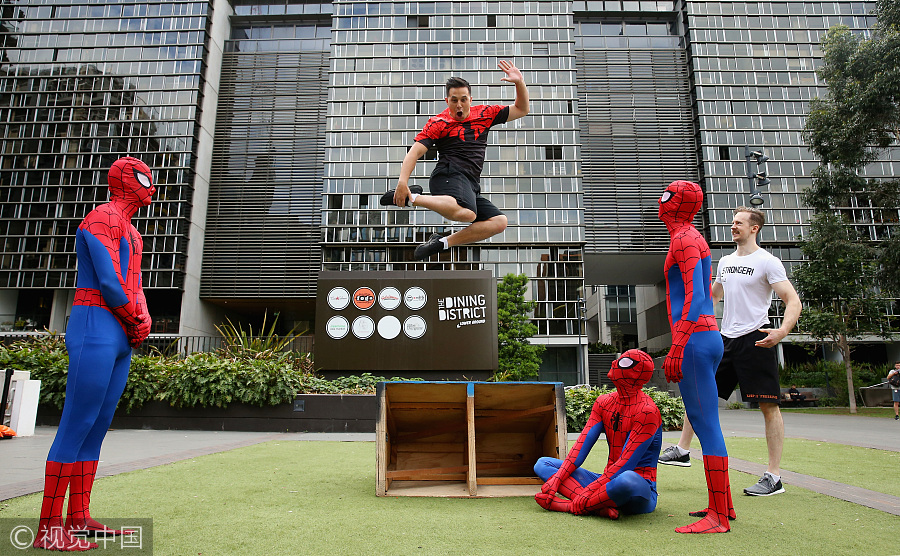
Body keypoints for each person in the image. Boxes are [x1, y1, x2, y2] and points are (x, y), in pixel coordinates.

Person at [33, 157, 154, 551]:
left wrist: (141, 318)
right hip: (96, 322)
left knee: (99, 423)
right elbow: (109, 281)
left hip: (118, 329)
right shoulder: (101, 217)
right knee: (77, 422)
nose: (150, 186)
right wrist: (135, 318)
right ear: (122, 180)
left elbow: (134, 284)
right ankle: (49, 525)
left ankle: (79, 516)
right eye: (142, 177)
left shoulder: (133, 233)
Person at [659, 206, 802, 499]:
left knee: (768, 407)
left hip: (756, 339)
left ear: (754, 228)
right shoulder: (724, 261)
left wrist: (782, 331)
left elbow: (792, 300)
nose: (733, 226)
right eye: (733, 222)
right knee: (702, 392)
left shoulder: (768, 262)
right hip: (725, 339)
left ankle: (774, 476)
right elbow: (711, 296)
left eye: (739, 223)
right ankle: (683, 450)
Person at [380, 60, 530, 260]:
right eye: (454, 100)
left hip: (470, 183)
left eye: (463, 99)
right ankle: (412, 198)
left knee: (499, 222)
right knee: (468, 213)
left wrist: (519, 83)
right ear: (447, 101)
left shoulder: (485, 113)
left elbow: (521, 109)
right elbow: (414, 152)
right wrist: (402, 182)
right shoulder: (439, 122)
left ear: (470, 99)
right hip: (448, 174)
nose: (459, 105)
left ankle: (442, 242)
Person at [658, 180, 733, 534]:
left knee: (705, 425)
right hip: (705, 337)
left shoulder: (684, 238)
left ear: (673, 204)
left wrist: (677, 346)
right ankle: (724, 505)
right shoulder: (691, 236)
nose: (660, 203)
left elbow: (694, 296)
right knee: (705, 421)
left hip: (695, 339)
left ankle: (717, 517)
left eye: (665, 197)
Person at [533, 349, 662, 520]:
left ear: (636, 373)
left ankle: (570, 506)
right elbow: (580, 447)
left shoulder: (647, 411)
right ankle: (598, 506)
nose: (614, 363)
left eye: (623, 362)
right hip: (607, 481)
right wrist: (557, 479)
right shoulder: (604, 402)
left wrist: (585, 493)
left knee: (627, 480)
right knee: (543, 464)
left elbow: (625, 465)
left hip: (639, 488)